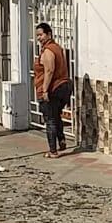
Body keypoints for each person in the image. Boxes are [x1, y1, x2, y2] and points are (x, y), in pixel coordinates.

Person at [34, 22, 71, 158]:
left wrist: (44, 91)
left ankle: (53, 151)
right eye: (37, 35)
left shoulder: (49, 50)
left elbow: (49, 70)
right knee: (56, 115)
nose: (39, 38)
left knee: (50, 119)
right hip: (64, 87)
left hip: (53, 88)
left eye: (41, 34)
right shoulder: (58, 48)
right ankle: (61, 141)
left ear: (49, 34)